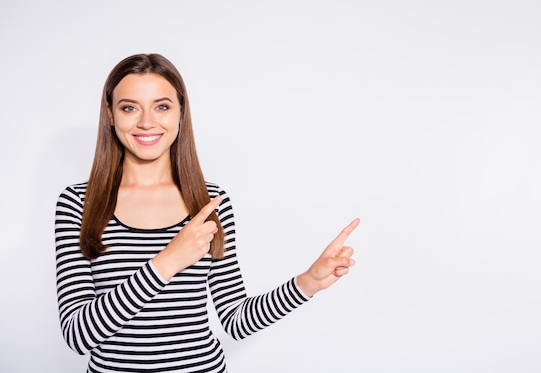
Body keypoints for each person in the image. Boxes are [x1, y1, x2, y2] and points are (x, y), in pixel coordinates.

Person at [54, 53, 359, 373]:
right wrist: (167, 261)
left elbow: (235, 320)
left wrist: (308, 282)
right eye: (130, 107)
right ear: (110, 115)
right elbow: (77, 335)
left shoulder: (210, 203)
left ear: (181, 112)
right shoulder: (79, 203)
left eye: (162, 106)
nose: (146, 121)